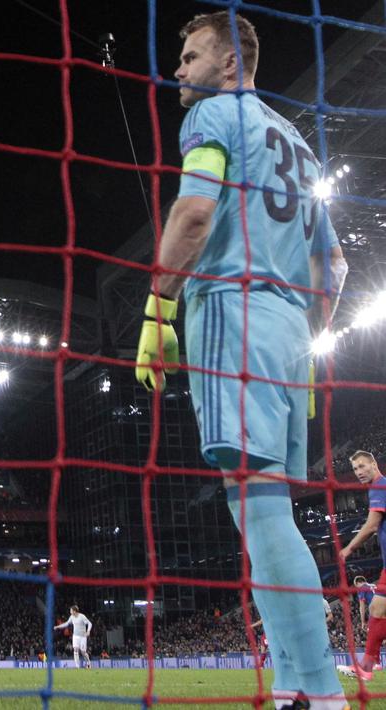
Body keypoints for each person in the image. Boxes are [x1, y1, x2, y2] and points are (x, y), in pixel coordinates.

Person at [136, 10, 347, 709]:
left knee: (256, 509)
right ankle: (290, 680)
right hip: (288, 336)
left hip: (233, 310)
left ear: (229, 65)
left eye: (190, 56)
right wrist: (306, 343)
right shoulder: (297, 145)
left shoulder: (213, 118)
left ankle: (318, 689)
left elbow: (194, 213)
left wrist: (156, 306)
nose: (177, 69)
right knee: (264, 511)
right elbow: (336, 268)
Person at [336, 451, 386, 680]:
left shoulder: (380, 486)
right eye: (355, 469)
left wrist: (349, 548)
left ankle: (367, 665)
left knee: (377, 607)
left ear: (374, 465)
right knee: (378, 608)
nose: (359, 472)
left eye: (362, 466)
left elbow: (372, 524)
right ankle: (368, 665)